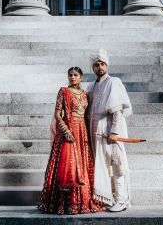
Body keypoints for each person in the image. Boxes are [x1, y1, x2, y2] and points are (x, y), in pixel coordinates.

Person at [37, 66, 104, 214]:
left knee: (83, 165)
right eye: (70, 75)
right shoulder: (63, 91)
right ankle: (64, 203)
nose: (72, 77)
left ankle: (83, 202)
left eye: (75, 75)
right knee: (69, 166)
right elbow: (57, 114)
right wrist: (66, 131)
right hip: (68, 131)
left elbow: (87, 116)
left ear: (81, 77)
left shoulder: (85, 94)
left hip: (82, 133)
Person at [85, 48, 133, 212]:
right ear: (93, 68)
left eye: (102, 64)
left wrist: (114, 132)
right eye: (96, 65)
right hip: (94, 129)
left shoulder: (114, 82)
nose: (100, 67)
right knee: (101, 165)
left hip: (108, 126)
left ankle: (121, 200)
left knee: (116, 163)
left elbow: (117, 111)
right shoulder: (91, 86)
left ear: (107, 66)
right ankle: (109, 198)